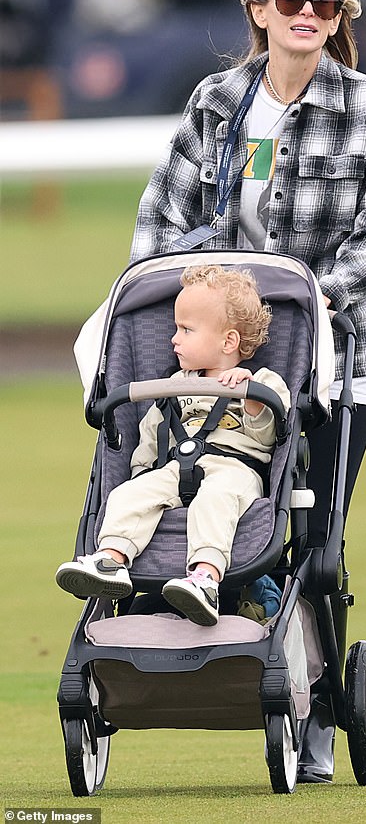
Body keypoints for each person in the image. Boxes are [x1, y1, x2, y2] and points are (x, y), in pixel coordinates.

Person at [128, 0, 366, 781]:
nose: (306, 15)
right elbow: (161, 212)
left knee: (313, 538)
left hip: (339, 358)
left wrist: (312, 300)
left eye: (323, 4)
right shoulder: (217, 104)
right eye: (290, 0)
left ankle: (317, 709)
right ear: (259, 10)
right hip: (222, 365)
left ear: (337, 18)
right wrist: (154, 295)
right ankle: (234, 654)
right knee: (219, 504)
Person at [56, 264, 290, 627]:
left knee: (215, 501)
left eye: (186, 330)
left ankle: (205, 578)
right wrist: (142, 474)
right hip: (174, 467)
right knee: (128, 495)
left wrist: (252, 398)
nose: (173, 340)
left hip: (234, 469)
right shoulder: (173, 386)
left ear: (228, 341)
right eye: (175, 328)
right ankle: (111, 559)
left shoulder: (260, 382)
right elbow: (152, 435)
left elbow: (270, 436)